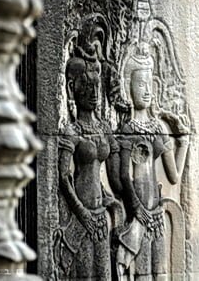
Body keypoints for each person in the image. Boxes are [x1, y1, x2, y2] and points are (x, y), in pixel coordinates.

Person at [116, 42, 189, 280]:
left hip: (157, 213)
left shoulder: (157, 128)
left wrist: (184, 142)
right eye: (140, 84)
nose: (146, 90)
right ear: (128, 88)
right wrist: (137, 210)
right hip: (139, 215)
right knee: (143, 275)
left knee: (163, 273)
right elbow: (123, 176)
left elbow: (174, 175)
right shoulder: (127, 129)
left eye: (149, 84)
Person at [55, 48, 120, 280]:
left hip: (101, 214)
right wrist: (83, 214)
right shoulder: (72, 131)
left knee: (104, 274)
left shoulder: (103, 128)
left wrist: (111, 201)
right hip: (81, 217)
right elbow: (64, 178)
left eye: (96, 86)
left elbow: (110, 174)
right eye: (87, 86)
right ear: (74, 88)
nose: (94, 92)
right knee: (84, 275)